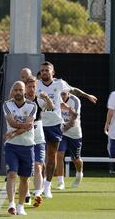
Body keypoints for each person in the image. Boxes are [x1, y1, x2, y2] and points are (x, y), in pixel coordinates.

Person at [37, 61, 97, 199]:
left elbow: (73, 89)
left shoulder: (59, 83)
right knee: (39, 158)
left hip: (55, 125)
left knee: (52, 156)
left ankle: (47, 187)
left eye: (47, 70)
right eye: (42, 70)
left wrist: (87, 95)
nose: (44, 72)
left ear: (53, 72)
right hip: (39, 124)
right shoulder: (37, 84)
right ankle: (39, 185)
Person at [3, 81, 36, 216]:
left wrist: (14, 133)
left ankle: (21, 205)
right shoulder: (7, 104)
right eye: (15, 90)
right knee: (12, 174)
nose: (18, 92)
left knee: (25, 178)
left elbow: (29, 126)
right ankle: (11, 204)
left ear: (25, 91)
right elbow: (12, 122)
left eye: (20, 90)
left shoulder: (32, 105)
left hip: (28, 146)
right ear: (12, 92)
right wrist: (24, 126)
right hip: (11, 146)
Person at [24, 76, 53, 207]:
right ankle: (26, 194)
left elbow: (51, 107)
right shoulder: (20, 101)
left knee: (38, 166)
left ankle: (37, 194)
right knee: (26, 169)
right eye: (29, 86)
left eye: (34, 86)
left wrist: (46, 97)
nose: (32, 89)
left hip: (38, 138)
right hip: (24, 139)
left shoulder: (39, 100)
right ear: (25, 87)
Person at [55, 91, 83, 190]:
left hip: (74, 133)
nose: (62, 96)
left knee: (75, 159)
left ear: (68, 93)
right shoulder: (56, 99)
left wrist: (64, 128)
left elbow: (75, 118)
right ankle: (60, 182)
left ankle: (79, 174)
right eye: (60, 94)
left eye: (64, 94)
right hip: (62, 133)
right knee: (59, 154)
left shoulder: (75, 100)